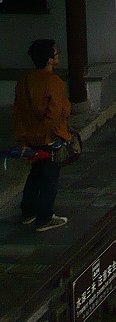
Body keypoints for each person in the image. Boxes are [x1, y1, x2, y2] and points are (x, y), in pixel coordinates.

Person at [13, 39, 71, 233]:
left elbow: (19, 112)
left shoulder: (24, 82)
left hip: (31, 138)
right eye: (56, 53)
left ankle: (28, 212)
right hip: (48, 138)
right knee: (49, 178)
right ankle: (45, 218)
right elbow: (53, 115)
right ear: (49, 60)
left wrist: (25, 138)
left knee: (35, 174)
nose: (58, 55)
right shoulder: (54, 82)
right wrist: (40, 134)